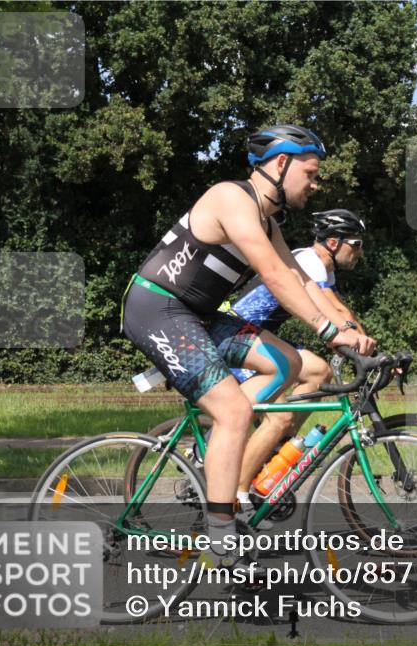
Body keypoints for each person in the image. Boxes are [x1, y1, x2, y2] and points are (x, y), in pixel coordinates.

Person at [120, 125, 376, 567]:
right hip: (156, 307)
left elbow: (299, 279)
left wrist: (347, 330)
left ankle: (221, 441)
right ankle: (221, 536)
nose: (314, 184)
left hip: (197, 315)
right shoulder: (230, 198)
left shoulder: (268, 220)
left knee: (288, 362)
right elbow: (275, 277)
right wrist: (327, 331)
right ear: (281, 163)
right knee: (235, 410)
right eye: (310, 173)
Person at [222, 208, 368, 508]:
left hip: (261, 339)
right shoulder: (307, 262)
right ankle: (236, 497)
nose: (360, 252)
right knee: (282, 416)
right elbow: (337, 315)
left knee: (318, 372)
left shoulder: (323, 270)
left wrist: (363, 345)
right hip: (238, 343)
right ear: (332, 243)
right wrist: (365, 349)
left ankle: (274, 448)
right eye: (356, 244)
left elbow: (342, 314)